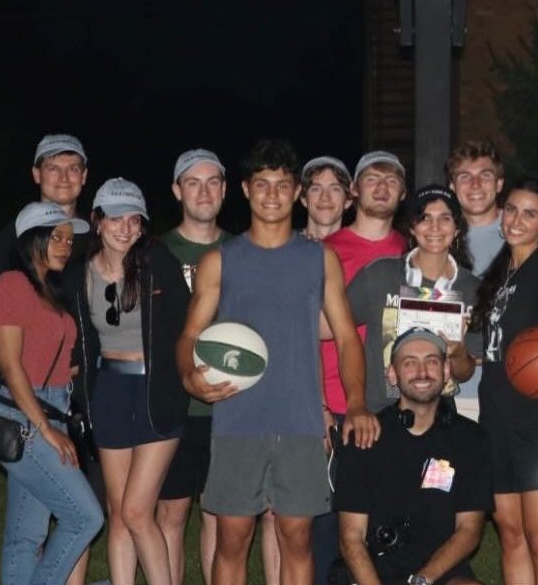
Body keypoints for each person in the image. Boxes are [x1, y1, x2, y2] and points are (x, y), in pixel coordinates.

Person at [175, 139, 380, 585]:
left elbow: (347, 337)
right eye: (263, 184)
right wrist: (191, 377)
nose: (272, 194)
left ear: (295, 194)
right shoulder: (220, 260)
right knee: (232, 539)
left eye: (282, 185)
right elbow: (190, 333)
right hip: (237, 420)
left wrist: (358, 402)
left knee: (298, 538)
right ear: (246, 190)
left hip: (300, 422)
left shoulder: (318, 259)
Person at [66, 178, 189, 585]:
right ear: (97, 221)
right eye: (115, 217)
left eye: (133, 219)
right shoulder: (80, 273)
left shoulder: (159, 264)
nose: (124, 227)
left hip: (157, 392)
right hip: (110, 392)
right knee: (118, 512)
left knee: (138, 511)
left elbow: (189, 326)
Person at [0, 202, 105, 585]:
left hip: (53, 406)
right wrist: (46, 430)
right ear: (30, 238)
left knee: (26, 534)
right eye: (56, 236)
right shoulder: (11, 285)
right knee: (86, 516)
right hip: (26, 415)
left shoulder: (49, 290)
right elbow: (10, 364)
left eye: (69, 239)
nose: (66, 245)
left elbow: (45, 352)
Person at [157, 149, 261, 585]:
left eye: (213, 181)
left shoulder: (245, 251)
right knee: (172, 510)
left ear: (225, 191)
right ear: (178, 190)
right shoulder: (154, 251)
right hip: (173, 403)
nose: (204, 190)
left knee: (220, 512)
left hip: (232, 406)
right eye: (193, 182)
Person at [471, 177, 538, 585]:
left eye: (529, 213)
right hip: (496, 418)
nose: (517, 220)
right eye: (511, 209)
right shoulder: (498, 274)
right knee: (511, 535)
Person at [334, 328, 491, 585]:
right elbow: (350, 538)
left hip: (436, 574)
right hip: (370, 575)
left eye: (431, 361)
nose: (422, 372)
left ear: (446, 372)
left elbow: (469, 531)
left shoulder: (471, 439)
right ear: (392, 375)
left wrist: (421, 580)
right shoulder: (364, 437)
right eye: (409, 363)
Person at [317, 149, 409, 581]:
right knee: (324, 524)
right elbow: (300, 332)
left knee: (383, 526)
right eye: (372, 177)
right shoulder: (323, 251)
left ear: (402, 192)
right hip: (331, 403)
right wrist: (316, 405)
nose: (382, 185)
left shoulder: (413, 252)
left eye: (392, 178)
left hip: (388, 405)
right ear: (354, 190)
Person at [345, 184, 481, 416]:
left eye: (445, 218)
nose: (435, 227)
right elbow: (334, 330)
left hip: (440, 418)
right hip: (378, 415)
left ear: (457, 228)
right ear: (412, 227)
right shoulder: (379, 274)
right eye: (425, 217)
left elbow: (465, 372)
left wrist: (458, 354)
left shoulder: (473, 289)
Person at [0, 133, 90, 275]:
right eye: (53, 169)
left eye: (73, 169)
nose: (64, 178)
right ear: (37, 174)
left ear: (84, 176)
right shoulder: (13, 238)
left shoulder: (98, 239)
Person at [446, 141, 507, 275]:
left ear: (499, 184)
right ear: (452, 186)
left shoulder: (525, 229)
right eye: (465, 177)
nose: (475, 184)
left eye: (485, 175)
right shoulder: (438, 234)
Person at [300, 155, 354, 240]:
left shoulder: (358, 251)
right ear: (303, 199)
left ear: (348, 201)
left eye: (335, 189)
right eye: (316, 189)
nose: (325, 197)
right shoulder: (283, 247)